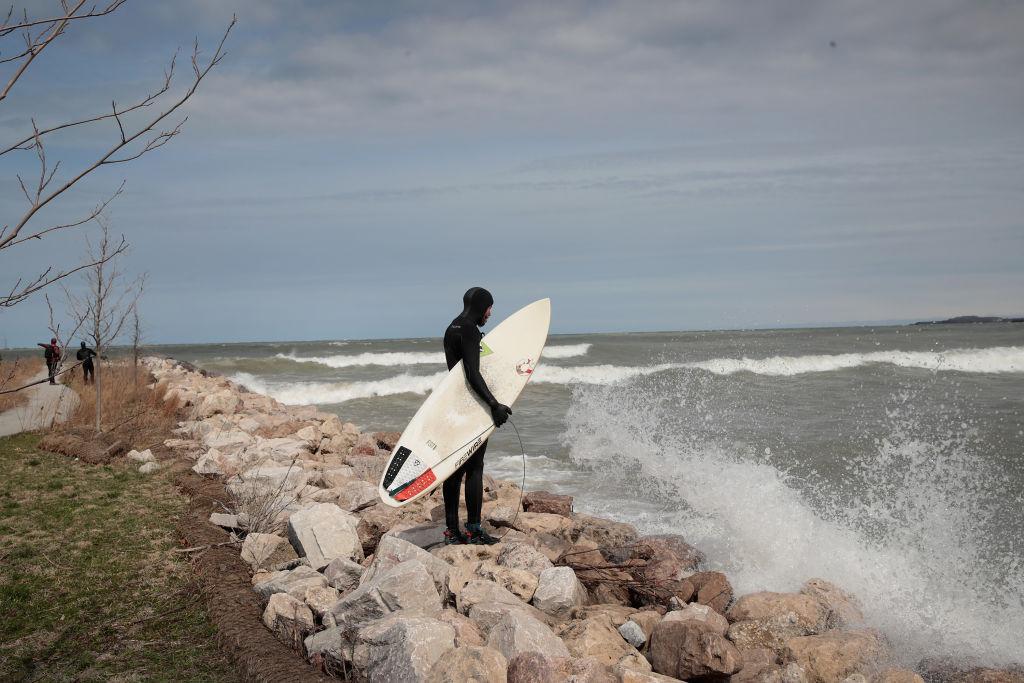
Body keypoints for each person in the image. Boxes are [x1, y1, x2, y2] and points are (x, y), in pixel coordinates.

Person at [441, 287, 513, 545]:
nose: (490, 313)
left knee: (453, 469)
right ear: (482, 306)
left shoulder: (452, 327)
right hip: (471, 406)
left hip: (454, 405)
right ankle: (473, 530)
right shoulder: (470, 330)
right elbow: (472, 373)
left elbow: (458, 372)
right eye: (489, 308)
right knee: (474, 467)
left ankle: (451, 531)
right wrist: (494, 404)